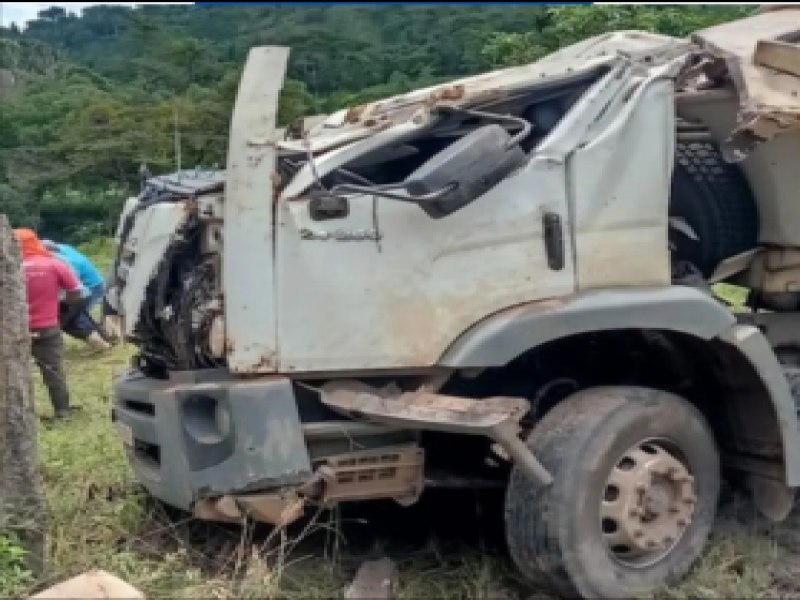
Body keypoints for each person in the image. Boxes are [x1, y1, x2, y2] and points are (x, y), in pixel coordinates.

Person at [13, 229, 82, 420]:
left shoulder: (9, 268)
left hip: (13, 330)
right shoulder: (54, 264)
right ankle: (63, 411)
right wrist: (61, 305)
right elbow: (76, 291)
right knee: (53, 369)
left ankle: (19, 416)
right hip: (47, 327)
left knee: (14, 374)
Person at [42, 240, 112, 351]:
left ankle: (100, 342)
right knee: (79, 315)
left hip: (90, 288)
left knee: (71, 320)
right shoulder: (63, 247)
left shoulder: (64, 262)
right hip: (87, 288)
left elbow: (72, 283)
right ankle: (105, 336)